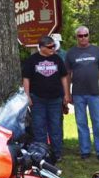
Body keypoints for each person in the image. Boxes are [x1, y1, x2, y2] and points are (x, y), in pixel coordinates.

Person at [23, 35, 71, 163]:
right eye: (50, 47)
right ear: (42, 47)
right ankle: (42, 153)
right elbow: (26, 78)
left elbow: (64, 77)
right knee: (39, 127)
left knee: (55, 127)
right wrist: (27, 96)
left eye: (54, 46)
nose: (53, 49)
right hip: (37, 99)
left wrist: (66, 94)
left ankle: (57, 153)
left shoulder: (57, 59)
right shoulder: (32, 60)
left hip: (55, 99)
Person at [65, 26, 99, 160]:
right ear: (76, 37)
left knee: (98, 123)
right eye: (80, 36)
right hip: (78, 94)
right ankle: (85, 151)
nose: (83, 38)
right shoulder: (71, 53)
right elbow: (67, 75)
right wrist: (67, 93)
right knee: (81, 123)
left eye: (85, 35)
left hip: (94, 93)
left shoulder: (97, 50)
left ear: (89, 35)